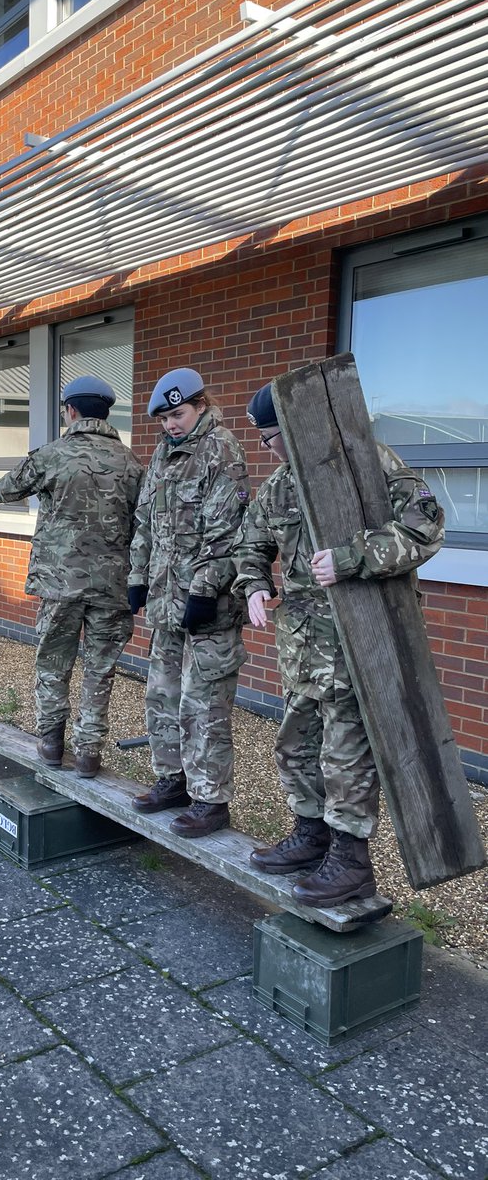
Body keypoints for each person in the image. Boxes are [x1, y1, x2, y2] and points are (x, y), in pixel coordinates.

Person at [234, 382, 445, 906]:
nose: (269, 449)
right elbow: (250, 543)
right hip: (304, 652)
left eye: (271, 438)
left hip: (360, 647)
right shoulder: (280, 486)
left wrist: (355, 557)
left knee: (346, 757)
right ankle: (312, 838)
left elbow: (427, 526)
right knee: (295, 747)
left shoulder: (369, 462)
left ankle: (352, 863)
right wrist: (255, 584)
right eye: (264, 441)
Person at [0, 375, 144, 778]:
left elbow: (9, 486)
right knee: (100, 667)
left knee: (54, 662)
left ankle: (52, 742)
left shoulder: (53, 455)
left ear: (71, 411)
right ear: (106, 412)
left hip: (61, 584)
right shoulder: (132, 463)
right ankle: (89, 752)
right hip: (113, 585)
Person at [128, 367, 249, 836]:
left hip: (207, 609)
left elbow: (227, 534)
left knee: (204, 708)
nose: (170, 424)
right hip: (164, 603)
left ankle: (211, 801)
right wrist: (137, 578)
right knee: (162, 696)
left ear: (200, 404)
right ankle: (172, 780)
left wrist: (203, 590)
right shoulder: (163, 453)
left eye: (177, 414)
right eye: (164, 418)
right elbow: (145, 522)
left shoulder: (222, 451)